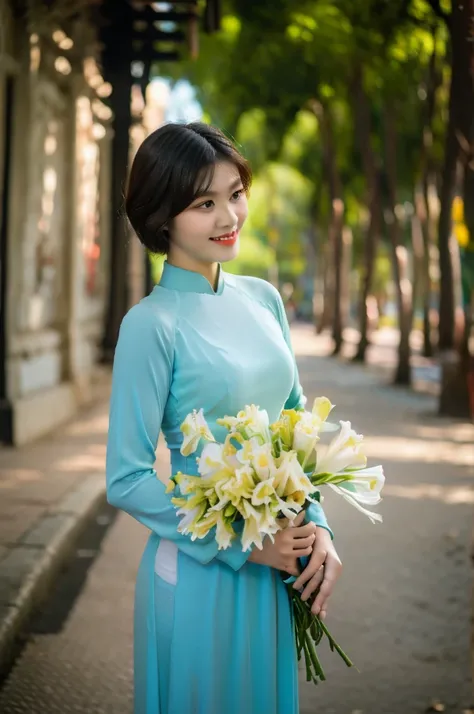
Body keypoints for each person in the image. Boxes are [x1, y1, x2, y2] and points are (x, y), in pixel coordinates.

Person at [105, 122, 342, 714]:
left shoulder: (263, 299)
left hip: (273, 573)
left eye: (234, 194)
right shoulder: (150, 326)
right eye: (203, 203)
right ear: (164, 215)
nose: (227, 216)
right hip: (200, 573)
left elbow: (294, 428)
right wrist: (245, 545)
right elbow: (126, 478)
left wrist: (319, 529)